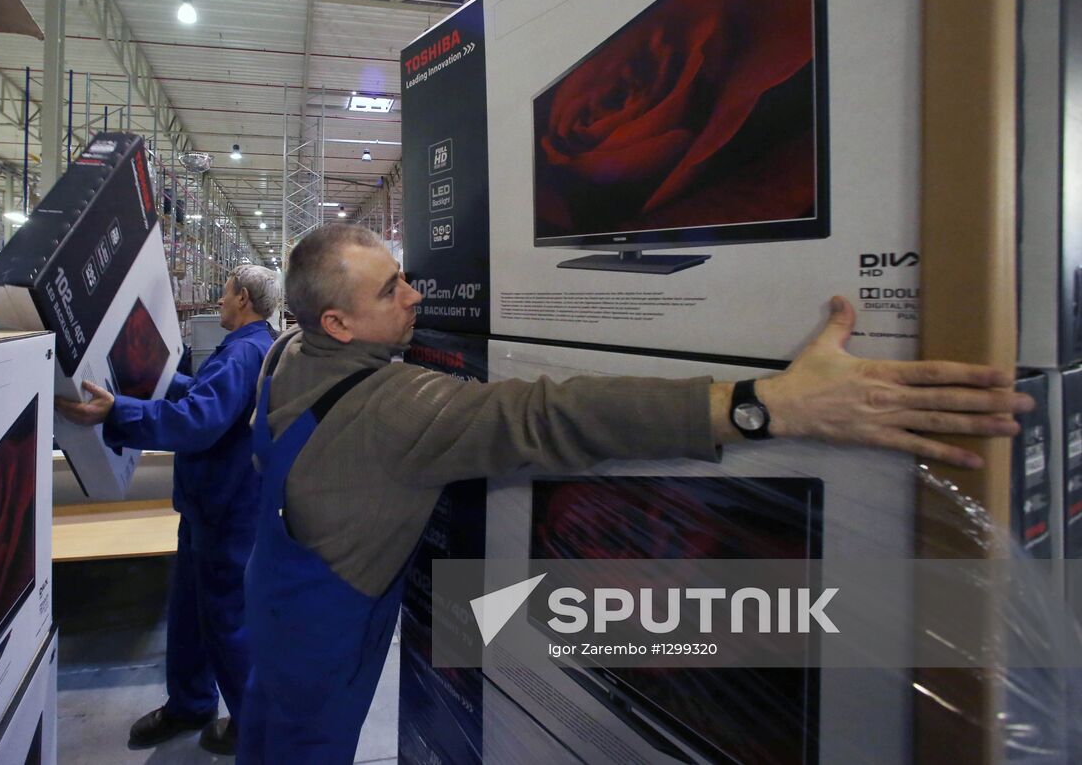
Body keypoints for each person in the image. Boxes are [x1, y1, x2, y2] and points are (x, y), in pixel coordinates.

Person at [235, 224, 1033, 765]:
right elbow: (553, 414)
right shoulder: (394, 405)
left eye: (404, 274)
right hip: (322, 638)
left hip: (272, 601)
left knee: (262, 734)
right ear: (337, 322)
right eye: (391, 290)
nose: (416, 294)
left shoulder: (283, 357)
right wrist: (763, 403)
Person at [56, 264, 280, 756]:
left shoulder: (243, 353)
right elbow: (209, 400)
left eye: (222, 294)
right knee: (191, 613)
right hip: (211, 504)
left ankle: (250, 725)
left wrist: (119, 412)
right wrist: (158, 380)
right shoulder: (254, 347)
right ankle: (191, 703)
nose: (216, 302)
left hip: (225, 510)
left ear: (242, 298)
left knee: (225, 621)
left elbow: (199, 422)